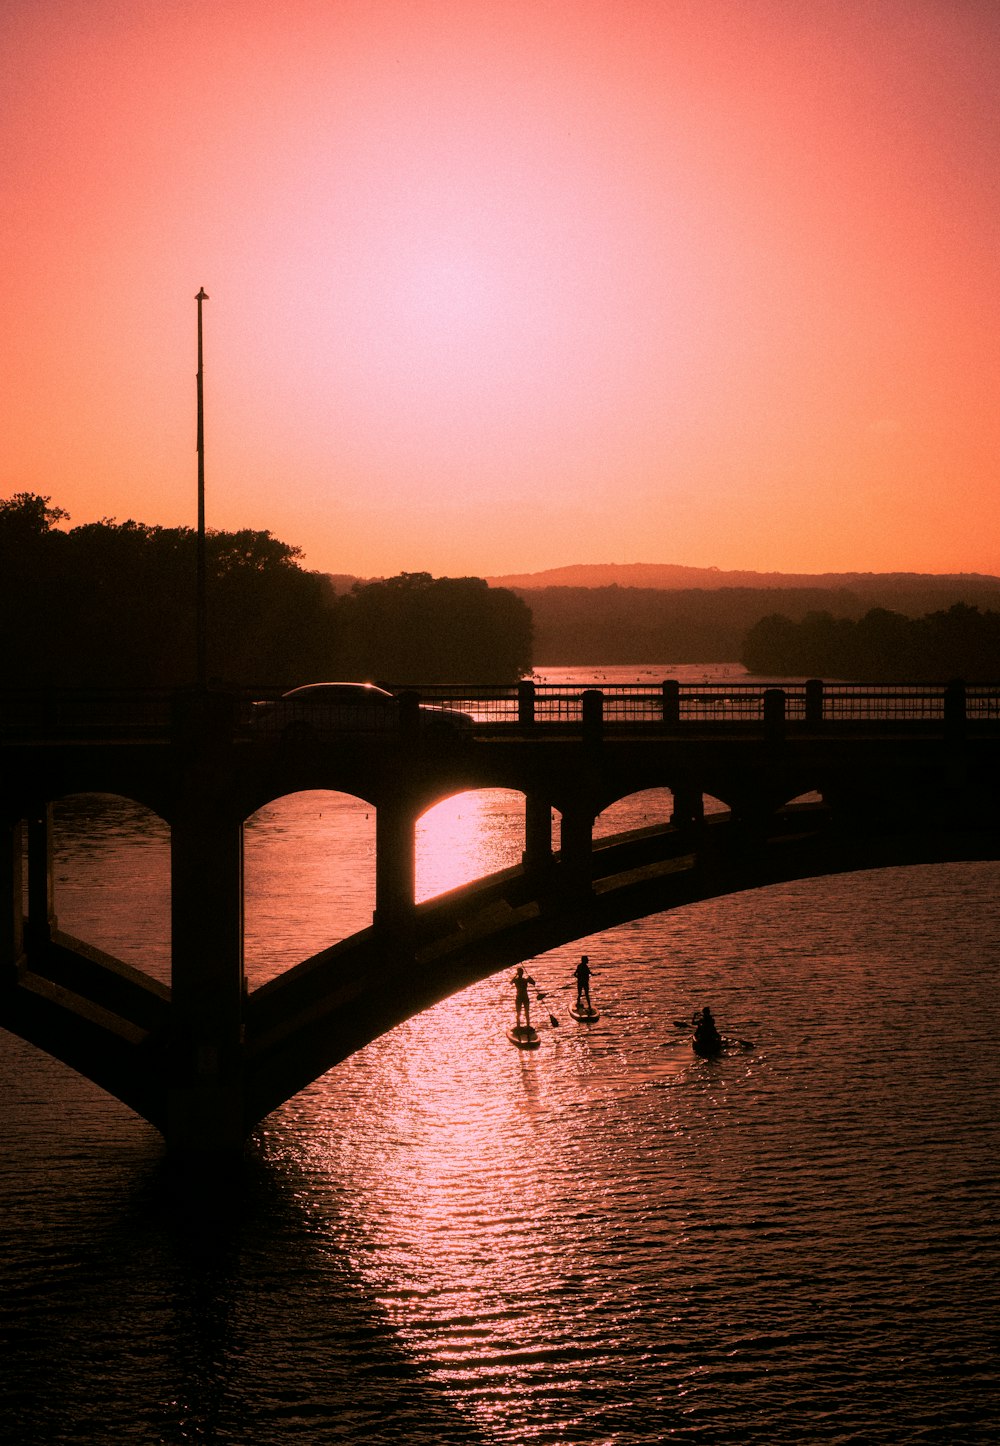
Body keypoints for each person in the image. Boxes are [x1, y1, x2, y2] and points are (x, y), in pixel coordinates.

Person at [512, 966, 535, 1032]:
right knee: (526, 1012)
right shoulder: (525, 980)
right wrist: (530, 978)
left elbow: (511, 982)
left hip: (519, 997)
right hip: (524, 997)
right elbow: (533, 983)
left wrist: (515, 975)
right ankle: (527, 1026)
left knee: (518, 1012)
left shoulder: (516, 980)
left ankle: (519, 1027)